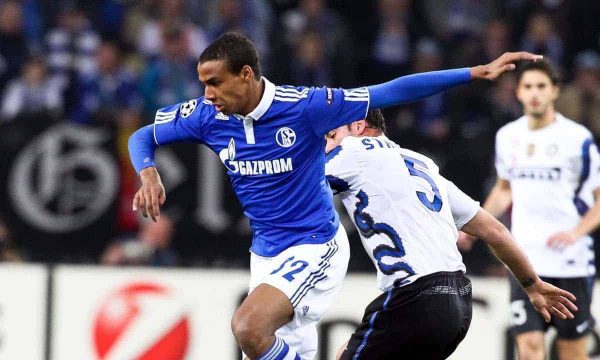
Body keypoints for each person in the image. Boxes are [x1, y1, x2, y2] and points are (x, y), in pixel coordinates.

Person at [128, 32, 542, 359]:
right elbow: (143, 135)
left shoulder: (307, 107)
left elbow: (391, 91)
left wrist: (473, 72)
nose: (207, 94)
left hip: (314, 245)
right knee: (269, 347)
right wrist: (148, 174)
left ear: (247, 76)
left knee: (248, 328)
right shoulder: (206, 117)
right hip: (265, 254)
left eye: (215, 83)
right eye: (203, 84)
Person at [324, 110, 578, 360]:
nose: (327, 144)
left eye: (332, 135)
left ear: (358, 126)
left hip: (415, 297)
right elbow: (495, 231)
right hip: (457, 300)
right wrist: (532, 285)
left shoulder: (352, 153)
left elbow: (295, 186)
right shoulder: (421, 163)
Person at [466, 60, 600, 360]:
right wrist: (475, 229)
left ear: (554, 91)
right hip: (525, 263)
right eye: (528, 87)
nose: (535, 93)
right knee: (528, 351)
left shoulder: (577, 139)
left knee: (572, 353)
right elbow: (504, 189)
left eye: (542, 86)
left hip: (570, 264)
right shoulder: (508, 136)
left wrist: (575, 233)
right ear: (519, 93)